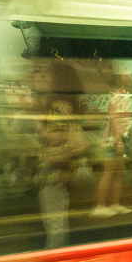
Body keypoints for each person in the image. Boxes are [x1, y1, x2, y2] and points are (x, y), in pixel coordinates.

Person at [38, 99, 86, 248]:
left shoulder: (58, 107)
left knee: (55, 226)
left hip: (54, 173)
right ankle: (60, 260)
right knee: (59, 223)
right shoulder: (66, 107)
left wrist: (39, 126)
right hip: (60, 173)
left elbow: (55, 138)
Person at [91, 76, 132, 218]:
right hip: (114, 140)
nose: (129, 79)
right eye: (125, 78)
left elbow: (126, 121)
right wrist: (119, 141)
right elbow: (115, 119)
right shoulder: (118, 97)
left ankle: (114, 204)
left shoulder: (122, 96)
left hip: (120, 138)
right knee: (110, 173)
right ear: (120, 82)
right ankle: (100, 206)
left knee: (117, 173)